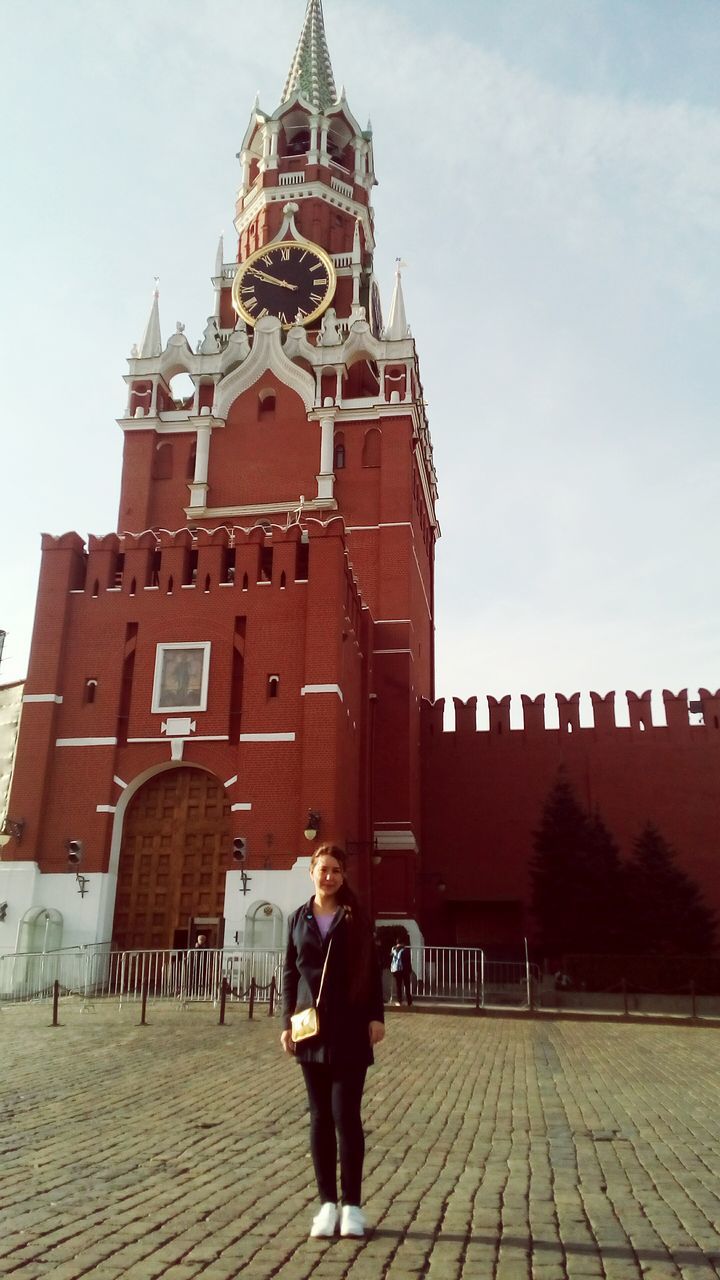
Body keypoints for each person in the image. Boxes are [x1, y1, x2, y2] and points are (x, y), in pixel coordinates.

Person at [281, 843, 385, 1240]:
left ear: (343, 876)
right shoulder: (296, 919)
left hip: (350, 1028)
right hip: (310, 1030)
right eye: (323, 869)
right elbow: (289, 974)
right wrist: (286, 1023)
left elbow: (371, 971)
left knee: (346, 1116)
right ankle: (327, 1205)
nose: (329, 876)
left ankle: (352, 1206)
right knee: (320, 1118)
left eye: (336, 870)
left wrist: (376, 1016)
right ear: (311, 872)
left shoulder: (355, 918)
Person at [389, 938, 413, 1007]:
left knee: (398, 986)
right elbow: (408, 962)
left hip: (396, 970)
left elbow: (391, 958)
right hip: (405, 971)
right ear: (403, 943)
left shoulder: (393, 950)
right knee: (407, 986)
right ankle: (409, 1002)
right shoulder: (405, 950)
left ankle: (399, 1002)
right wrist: (410, 971)